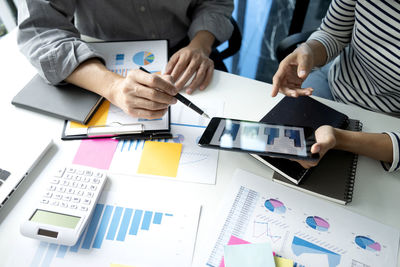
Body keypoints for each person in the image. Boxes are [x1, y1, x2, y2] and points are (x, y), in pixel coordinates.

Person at [17, 0, 233, 119]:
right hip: (99, 67)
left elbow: (215, 2)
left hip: (188, 49)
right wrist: (112, 86)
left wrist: (201, 44)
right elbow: (40, 30)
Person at [271, 0, 399, 172]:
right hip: (332, 83)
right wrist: (309, 50)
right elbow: (333, 33)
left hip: (387, 122)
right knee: (275, 159)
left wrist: (341, 139)